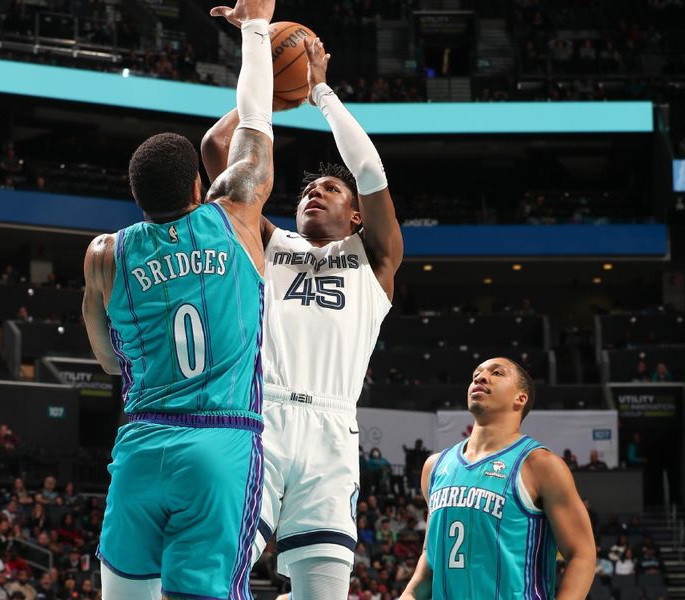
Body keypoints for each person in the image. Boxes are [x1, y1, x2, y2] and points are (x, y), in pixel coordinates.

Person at [82, 0, 275, 596]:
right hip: (221, 442)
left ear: (137, 198)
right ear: (200, 184)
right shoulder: (237, 218)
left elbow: (110, 362)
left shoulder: (105, 254)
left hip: (141, 443)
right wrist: (256, 29)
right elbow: (254, 127)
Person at [200, 37, 402, 600]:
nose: (315, 192)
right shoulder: (267, 240)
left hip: (334, 433)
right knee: (216, 576)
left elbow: (369, 166)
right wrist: (268, 93)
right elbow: (218, 145)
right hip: (260, 418)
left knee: (323, 592)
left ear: (357, 213)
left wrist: (318, 92)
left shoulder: (375, 260)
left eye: (331, 189)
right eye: (309, 188)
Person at [399, 357, 595, 599]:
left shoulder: (540, 465)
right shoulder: (435, 466)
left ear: (520, 398)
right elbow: (430, 561)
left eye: (497, 373)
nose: (480, 377)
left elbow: (582, 554)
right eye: (476, 374)